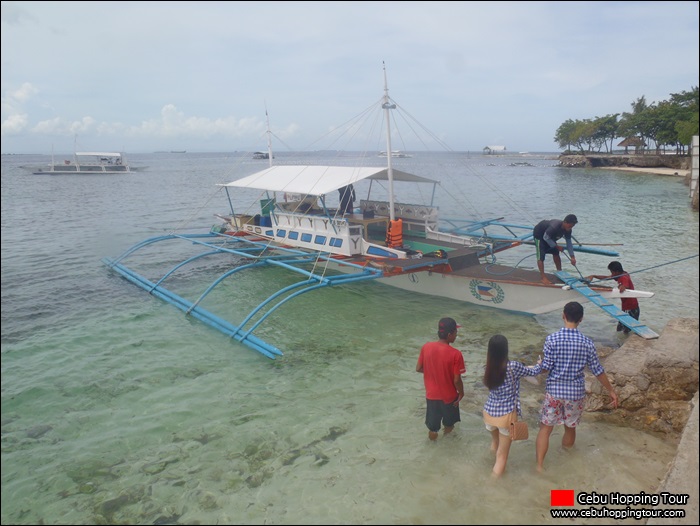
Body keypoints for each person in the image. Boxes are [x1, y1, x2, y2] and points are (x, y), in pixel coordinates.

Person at [535, 301, 619, 472]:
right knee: (570, 427)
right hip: (575, 393)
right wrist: (611, 390)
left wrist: (538, 365)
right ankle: (565, 461)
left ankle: (539, 467)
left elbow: (545, 368)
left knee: (545, 429)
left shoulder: (552, 339)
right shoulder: (587, 343)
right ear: (581, 319)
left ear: (563, 315)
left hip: (554, 392)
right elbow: (598, 370)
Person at [482, 334, 541, 477]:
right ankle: (492, 486)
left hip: (489, 414)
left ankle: (489, 464)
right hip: (505, 417)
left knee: (495, 443)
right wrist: (539, 364)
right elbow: (533, 372)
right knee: (502, 457)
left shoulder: (488, 367)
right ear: (505, 350)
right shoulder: (513, 366)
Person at [416, 317, 466, 441]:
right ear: (449, 334)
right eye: (455, 333)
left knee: (433, 428)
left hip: (431, 396)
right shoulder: (456, 354)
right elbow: (456, 380)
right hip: (449, 397)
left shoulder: (426, 347)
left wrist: (434, 372)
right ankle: (447, 448)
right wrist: (461, 393)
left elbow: (418, 368)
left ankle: (432, 447)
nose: (456, 335)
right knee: (449, 425)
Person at [586, 261, 639, 334]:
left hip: (630, 308)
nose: (611, 274)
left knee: (624, 330)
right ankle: (620, 342)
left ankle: (620, 343)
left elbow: (625, 286)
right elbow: (607, 277)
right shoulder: (622, 274)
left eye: (612, 272)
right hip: (629, 307)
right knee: (621, 329)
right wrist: (594, 276)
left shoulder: (623, 277)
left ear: (616, 272)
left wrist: (621, 286)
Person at [532, 214, 578, 284]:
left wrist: (572, 257)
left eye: (572, 226)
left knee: (556, 252)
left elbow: (569, 242)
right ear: (565, 222)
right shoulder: (554, 226)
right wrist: (557, 246)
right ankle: (543, 277)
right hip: (540, 235)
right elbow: (545, 237)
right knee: (541, 256)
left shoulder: (568, 230)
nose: (570, 228)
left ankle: (560, 272)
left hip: (550, 237)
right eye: (570, 226)